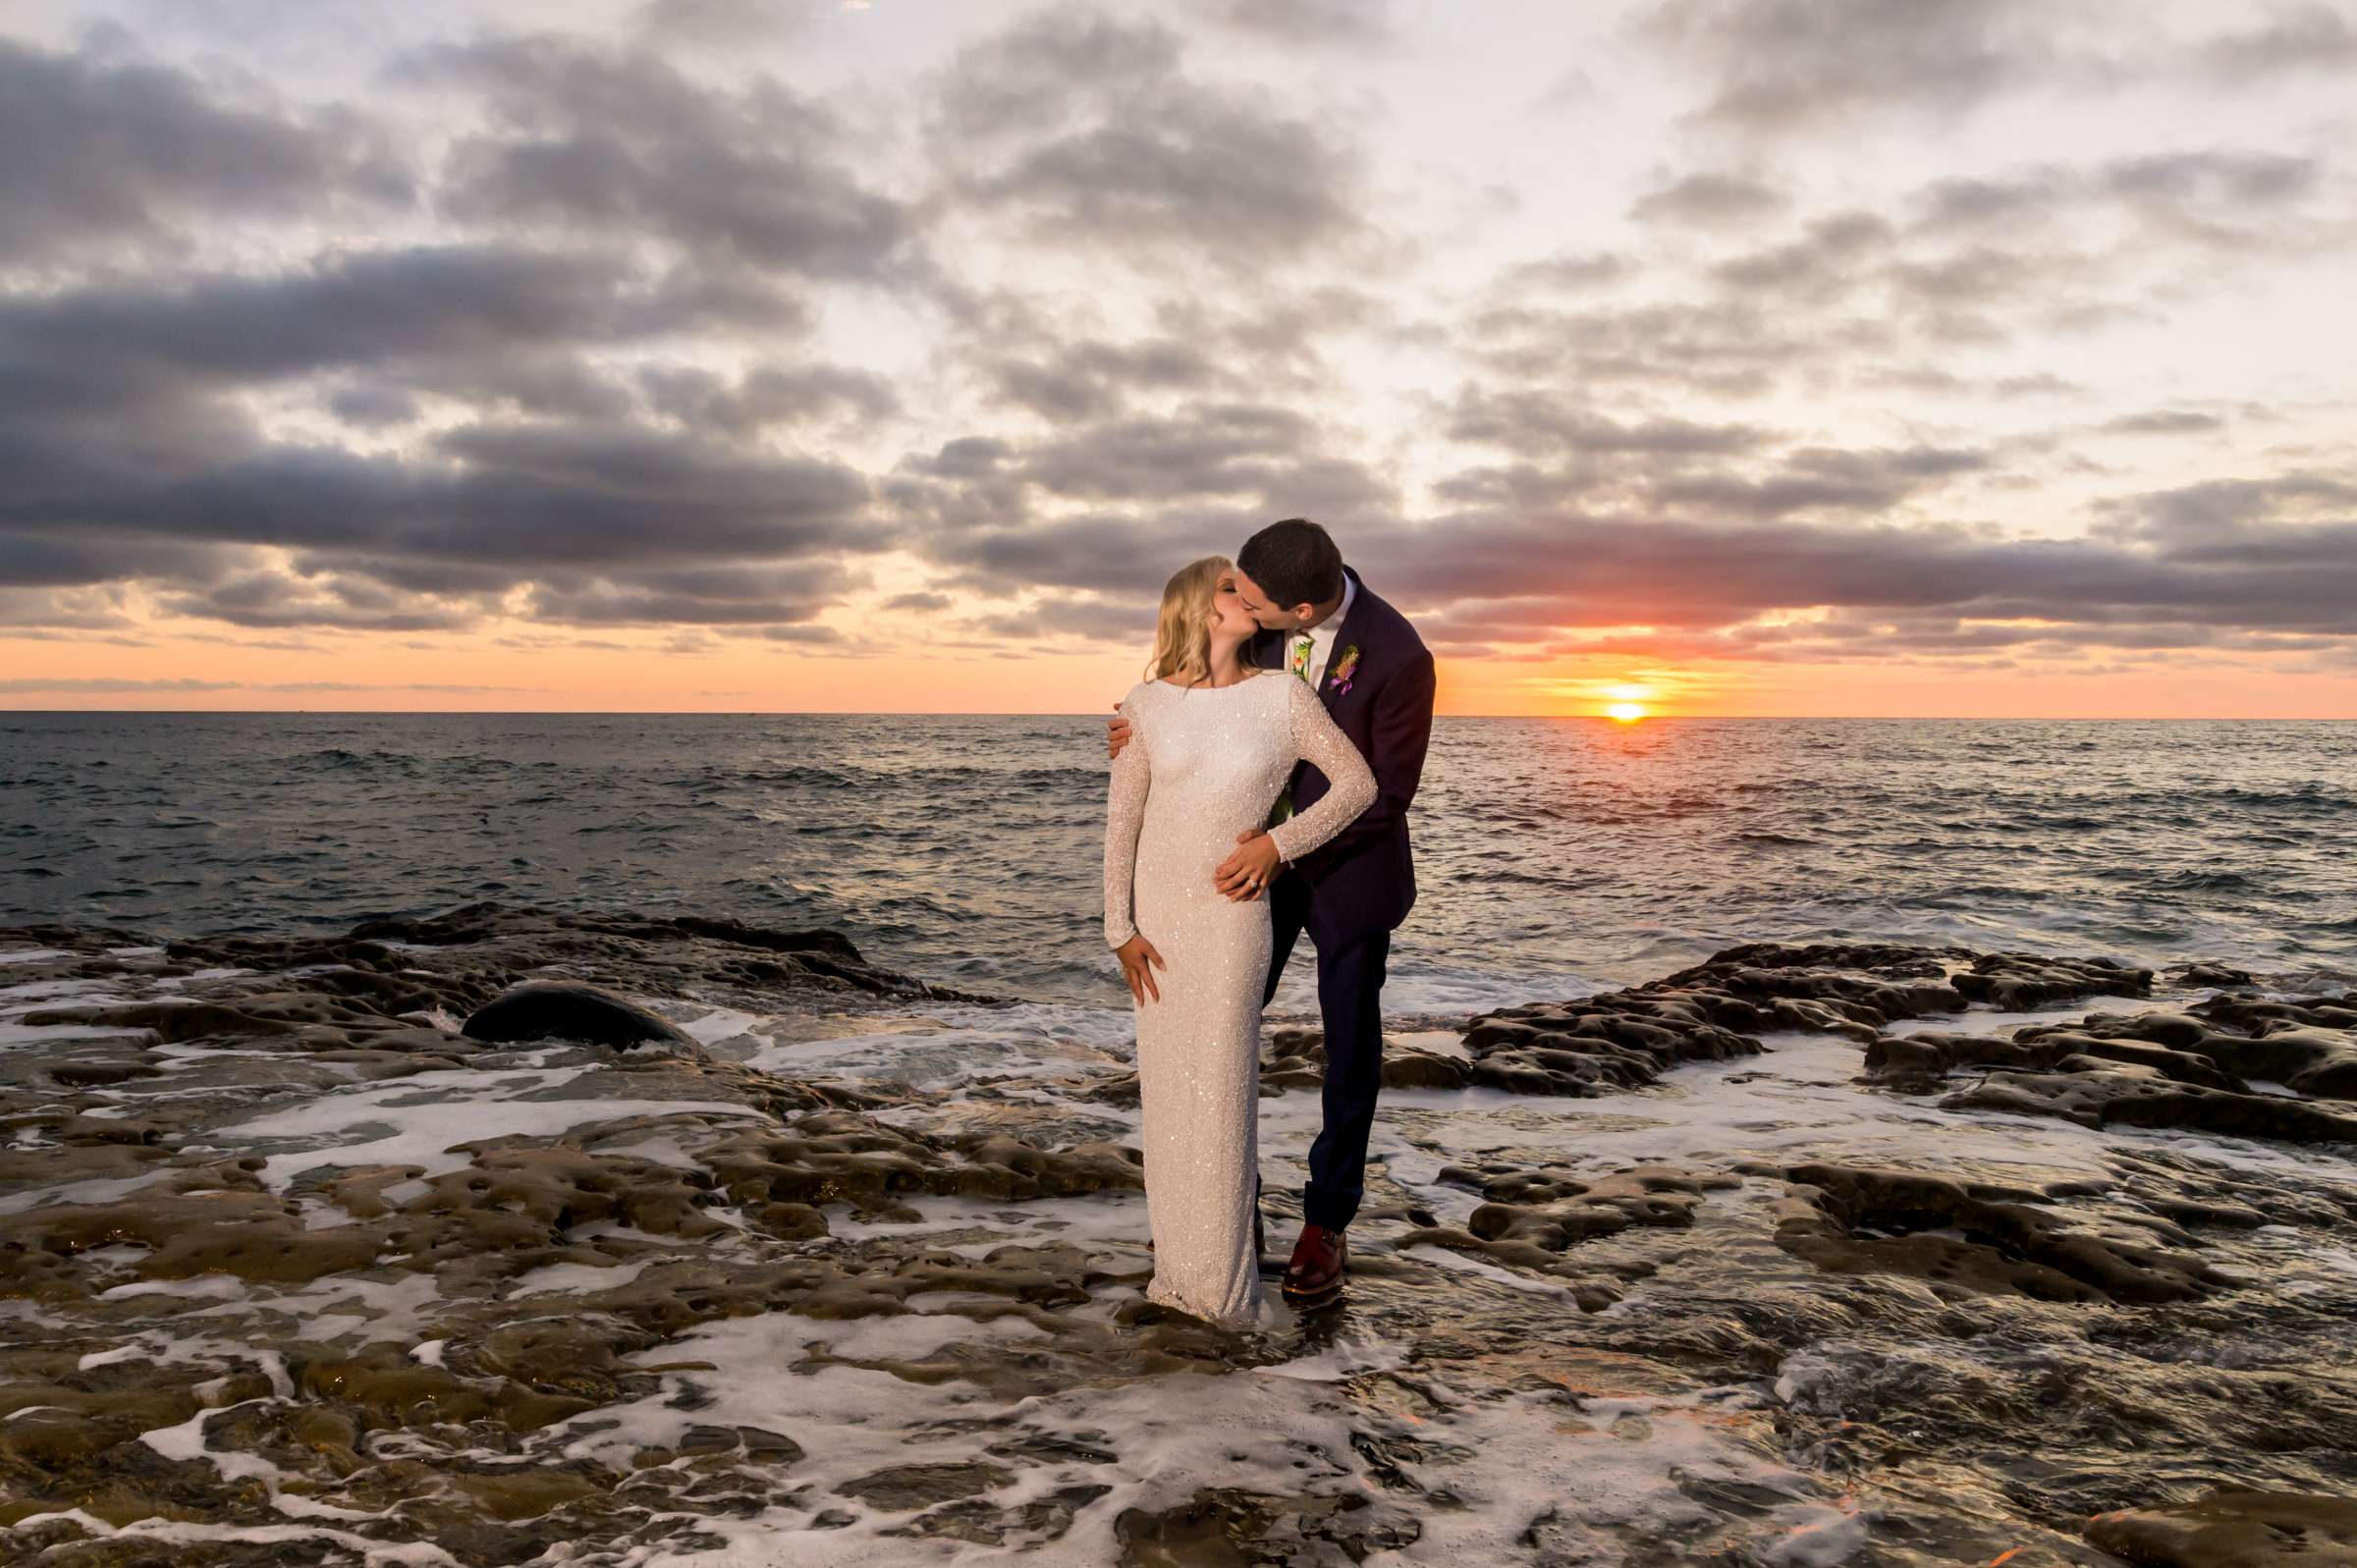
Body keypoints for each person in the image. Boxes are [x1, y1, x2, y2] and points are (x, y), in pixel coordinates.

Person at [1108, 518, 1435, 1307]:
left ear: (1299, 606)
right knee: (1211, 1039)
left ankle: (1327, 1219)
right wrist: (1137, 726)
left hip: (1345, 868)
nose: (1242, 607)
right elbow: (1201, 692)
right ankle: (1219, 1213)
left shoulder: (1398, 655)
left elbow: (1385, 792)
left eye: (1255, 601)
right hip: (1235, 882)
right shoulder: (1254, 619)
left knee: (1349, 1045)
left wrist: (1279, 847)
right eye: (1236, 595)